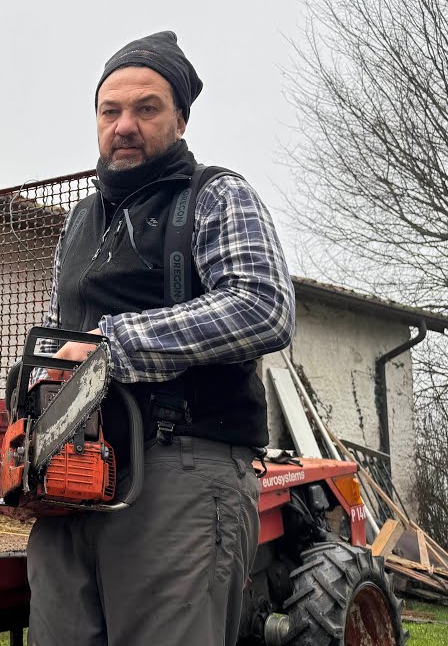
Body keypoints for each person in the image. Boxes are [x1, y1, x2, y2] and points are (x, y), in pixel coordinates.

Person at [28, 31, 296, 645]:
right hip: (74, 475)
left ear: (180, 118)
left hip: (182, 472)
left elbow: (263, 308)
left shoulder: (216, 195)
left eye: (146, 108)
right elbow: (65, 331)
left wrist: (113, 348)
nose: (124, 126)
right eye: (109, 110)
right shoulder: (80, 221)